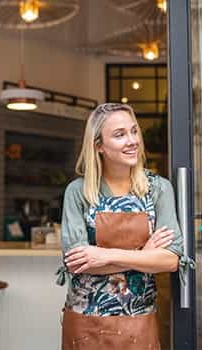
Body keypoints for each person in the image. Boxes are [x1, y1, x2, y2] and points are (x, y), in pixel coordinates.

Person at [57, 103, 183, 350]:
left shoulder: (157, 189)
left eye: (134, 131)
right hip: (85, 322)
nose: (132, 140)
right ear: (98, 146)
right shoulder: (78, 192)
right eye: (119, 135)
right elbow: (78, 264)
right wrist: (144, 256)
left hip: (139, 318)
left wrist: (105, 255)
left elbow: (170, 260)